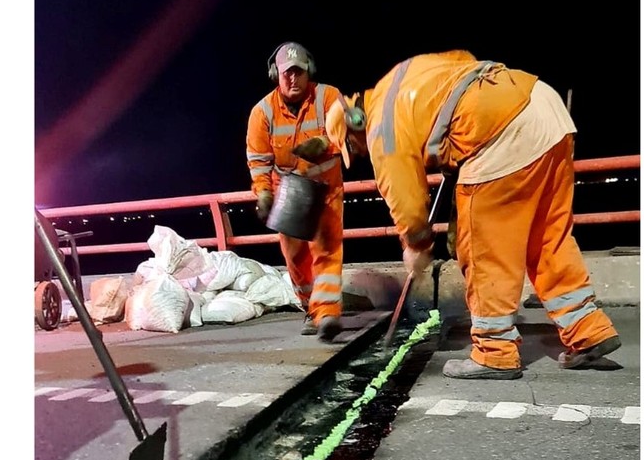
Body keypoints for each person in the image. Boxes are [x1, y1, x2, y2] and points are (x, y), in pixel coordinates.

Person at [324, 50, 621, 379]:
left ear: (354, 126)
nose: (362, 153)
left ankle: (495, 351)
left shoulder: (382, 128)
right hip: (542, 107)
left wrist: (416, 246)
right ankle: (588, 332)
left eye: (354, 148)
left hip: (498, 130)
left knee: (482, 247)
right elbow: (463, 60)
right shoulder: (399, 77)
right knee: (548, 239)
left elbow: (407, 202)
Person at [246, 42, 346, 342]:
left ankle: (327, 312)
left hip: (325, 188)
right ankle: (310, 306)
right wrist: (263, 194)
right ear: (276, 74)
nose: (293, 79)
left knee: (327, 249)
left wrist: (325, 145)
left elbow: (344, 134)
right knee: (295, 256)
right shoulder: (262, 113)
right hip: (286, 191)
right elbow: (259, 160)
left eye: (299, 72)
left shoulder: (328, 97)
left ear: (309, 72)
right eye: (287, 73)